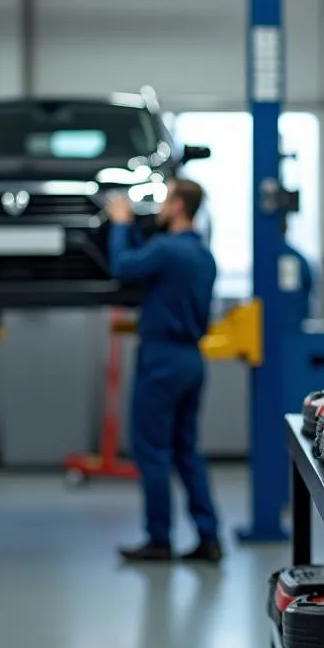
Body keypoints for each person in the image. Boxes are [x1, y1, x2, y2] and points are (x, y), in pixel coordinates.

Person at [106, 179, 222, 564]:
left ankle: (159, 540)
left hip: (161, 361)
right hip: (191, 360)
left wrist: (121, 223)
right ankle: (209, 537)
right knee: (186, 451)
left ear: (177, 206)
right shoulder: (204, 256)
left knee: (152, 451)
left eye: (164, 198)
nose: (158, 206)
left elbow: (123, 267)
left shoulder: (166, 250)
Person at [278, 217, 315, 332]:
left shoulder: (265, 260)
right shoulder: (295, 257)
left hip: (279, 324)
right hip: (295, 323)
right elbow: (309, 287)